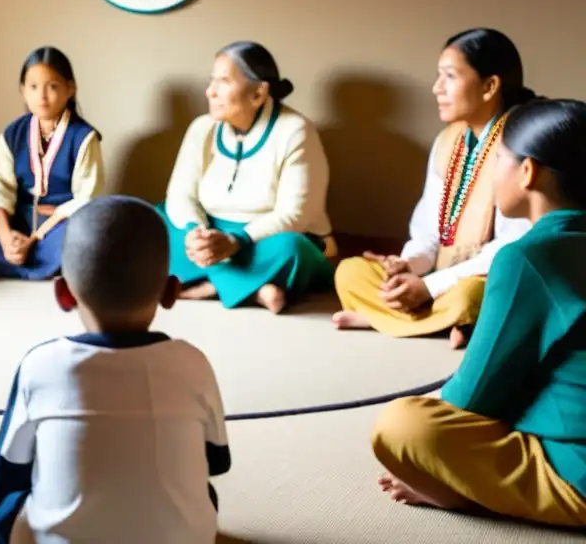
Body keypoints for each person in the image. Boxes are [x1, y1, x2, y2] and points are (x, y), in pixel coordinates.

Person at [0, 196, 231, 543]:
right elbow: (217, 462)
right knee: (200, 490)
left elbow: (10, 473)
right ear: (171, 292)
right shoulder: (193, 363)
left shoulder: (41, 366)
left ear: (64, 294)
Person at [371, 98, 586, 529]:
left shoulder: (527, 257)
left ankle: (468, 498)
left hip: (576, 475)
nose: (491, 171)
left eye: (499, 158)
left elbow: (471, 400)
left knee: (403, 424)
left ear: (528, 171)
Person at [333, 28, 534, 345]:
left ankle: (387, 319)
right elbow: (428, 231)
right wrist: (407, 264)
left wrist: (430, 287)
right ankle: (449, 325)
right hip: (440, 278)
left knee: (472, 295)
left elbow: (514, 247)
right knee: (350, 271)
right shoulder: (448, 141)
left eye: (450, 77)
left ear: (489, 86)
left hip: (483, 277)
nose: (436, 88)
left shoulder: (519, 142)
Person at [159, 42, 336, 313]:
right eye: (212, 81)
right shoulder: (201, 128)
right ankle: (252, 289)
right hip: (210, 230)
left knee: (292, 248)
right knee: (152, 220)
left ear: (258, 93)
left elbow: (296, 215)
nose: (211, 92)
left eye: (224, 82)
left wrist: (235, 241)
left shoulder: (296, 131)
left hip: (265, 238)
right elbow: (181, 194)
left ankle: (215, 283)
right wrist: (196, 233)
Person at [0, 47, 103, 280]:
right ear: (23, 91)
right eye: (34, 87)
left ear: (70, 89)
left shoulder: (84, 137)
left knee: (81, 234)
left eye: (53, 86)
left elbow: (86, 199)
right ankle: (35, 266)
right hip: (17, 225)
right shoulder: (12, 134)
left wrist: (36, 237)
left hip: (56, 230)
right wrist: (6, 238)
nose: (42, 96)